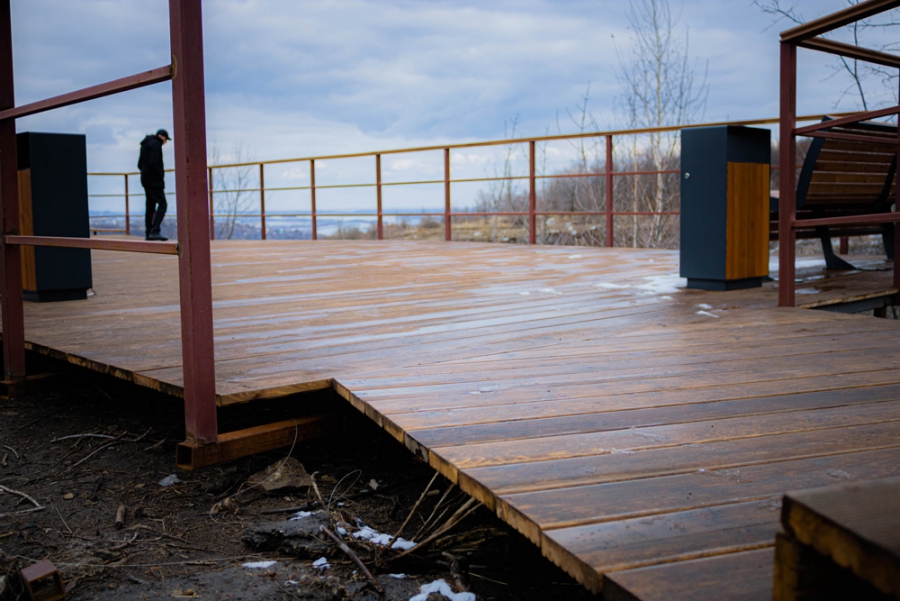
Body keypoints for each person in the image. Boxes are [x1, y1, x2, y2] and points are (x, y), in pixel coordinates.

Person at [138, 129, 171, 241]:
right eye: (166, 139)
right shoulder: (156, 144)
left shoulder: (145, 144)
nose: (165, 142)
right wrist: (160, 175)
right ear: (161, 136)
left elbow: (139, 164)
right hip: (154, 180)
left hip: (145, 179)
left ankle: (149, 232)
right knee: (163, 204)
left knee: (150, 206)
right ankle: (155, 231)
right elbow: (154, 163)